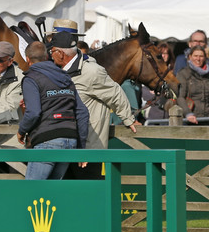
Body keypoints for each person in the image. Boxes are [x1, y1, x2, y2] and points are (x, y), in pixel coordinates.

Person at [49, 31, 140, 178]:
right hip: (65, 144)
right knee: (65, 194)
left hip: (88, 147)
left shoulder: (91, 71)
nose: (50, 54)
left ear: (60, 53)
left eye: (52, 51)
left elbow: (115, 92)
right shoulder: (58, 70)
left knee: (89, 194)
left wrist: (128, 119)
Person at [16, 42, 89, 180]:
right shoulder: (66, 77)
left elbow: (33, 112)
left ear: (27, 59)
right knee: (52, 193)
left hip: (47, 139)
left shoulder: (31, 78)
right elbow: (82, 112)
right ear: (46, 56)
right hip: (70, 140)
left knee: (32, 191)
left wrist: (21, 131)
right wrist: (81, 146)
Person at [175, 45, 209, 125]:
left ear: (205, 57)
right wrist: (188, 113)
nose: (198, 59)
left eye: (201, 56)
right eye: (195, 56)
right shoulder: (183, 73)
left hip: (208, 118)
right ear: (190, 57)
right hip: (189, 120)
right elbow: (180, 97)